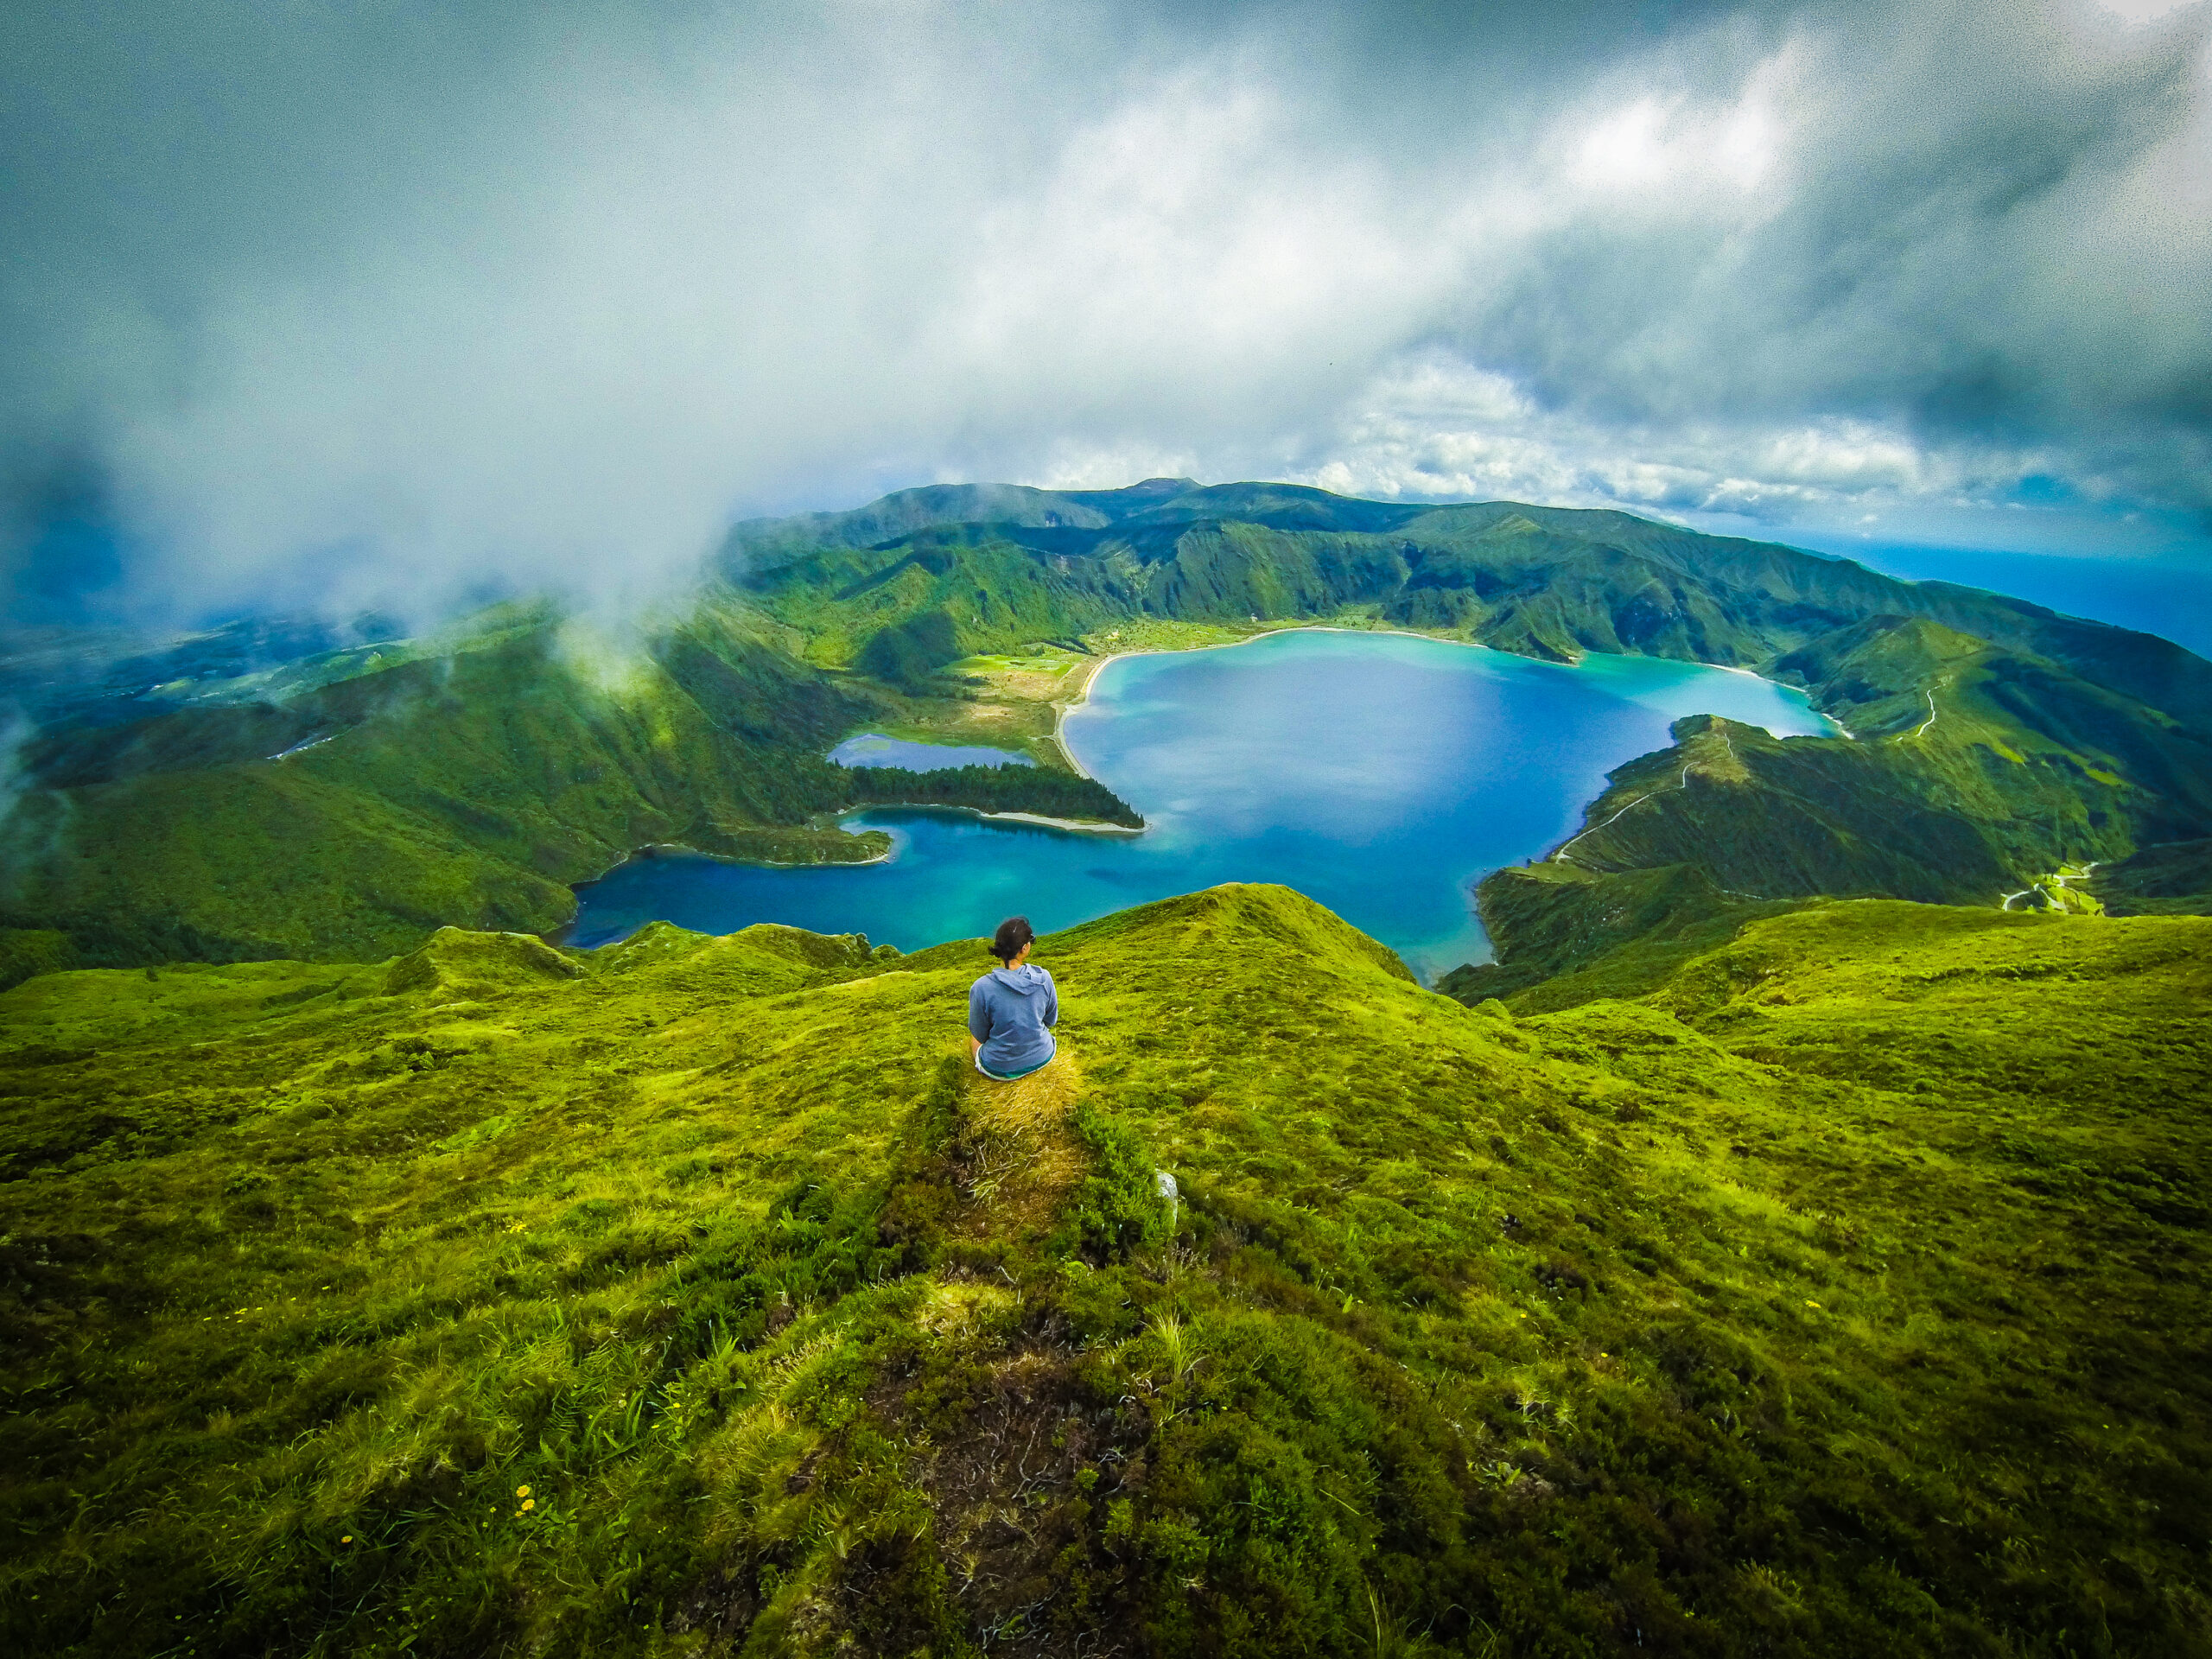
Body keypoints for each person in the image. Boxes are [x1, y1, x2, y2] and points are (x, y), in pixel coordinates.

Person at [969, 915, 1058, 1080]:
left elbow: (980, 1034)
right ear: (1024, 948)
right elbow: (1050, 1020)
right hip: (1043, 1055)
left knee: (973, 1039)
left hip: (999, 1068)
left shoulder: (981, 987)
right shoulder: (1044, 977)